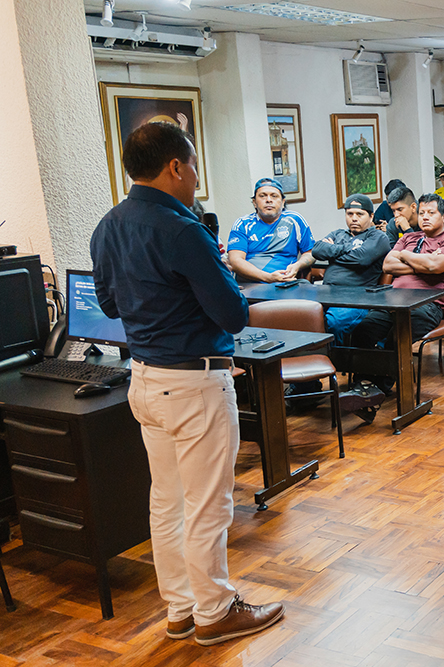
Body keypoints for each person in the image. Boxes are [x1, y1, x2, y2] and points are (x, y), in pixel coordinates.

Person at [90, 122, 283, 646]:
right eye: (194, 166)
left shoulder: (108, 225)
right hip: (194, 385)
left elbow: (109, 304)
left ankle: (180, 608)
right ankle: (216, 611)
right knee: (208, 505)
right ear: (176, 167)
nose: (196, 178)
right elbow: (233, 313)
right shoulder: (183, 230)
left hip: (146, 379)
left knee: (168, 502)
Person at [353, 193, 444, 390]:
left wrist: (405, 255)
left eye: (431, 213)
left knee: (396, 338)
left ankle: (374, 390)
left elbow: (435, 267)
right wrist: (423, 261)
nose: (425, 217)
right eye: (421, 213)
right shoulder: (410, 238)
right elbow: (388, 265)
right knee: (362, 332)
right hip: (394, 301)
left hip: (426, 306)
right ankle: (363, 384)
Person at [311, 194, 392, 345]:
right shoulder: (338, 234)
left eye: (360, 214)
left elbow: (361, 259)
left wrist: (332, 251)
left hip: (356, 298)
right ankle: (312, 362)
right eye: (350, 214)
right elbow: (316, 250)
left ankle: (335, 364)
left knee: (333, 323)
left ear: (371, 216)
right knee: (301, 316)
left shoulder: (378, 237)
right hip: (326, 293)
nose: (354, 218)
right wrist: (346, 248)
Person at [227, 178, 314, 284]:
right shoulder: (243, 224)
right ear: (254, 202)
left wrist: (297, 266)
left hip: (285, 283)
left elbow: (310, 253)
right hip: (249, 285)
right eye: (262, 196)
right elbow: (235, 261)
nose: (269, 200)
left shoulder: (295, 220)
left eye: (274, 196)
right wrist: (267, 277)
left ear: (282, 202)